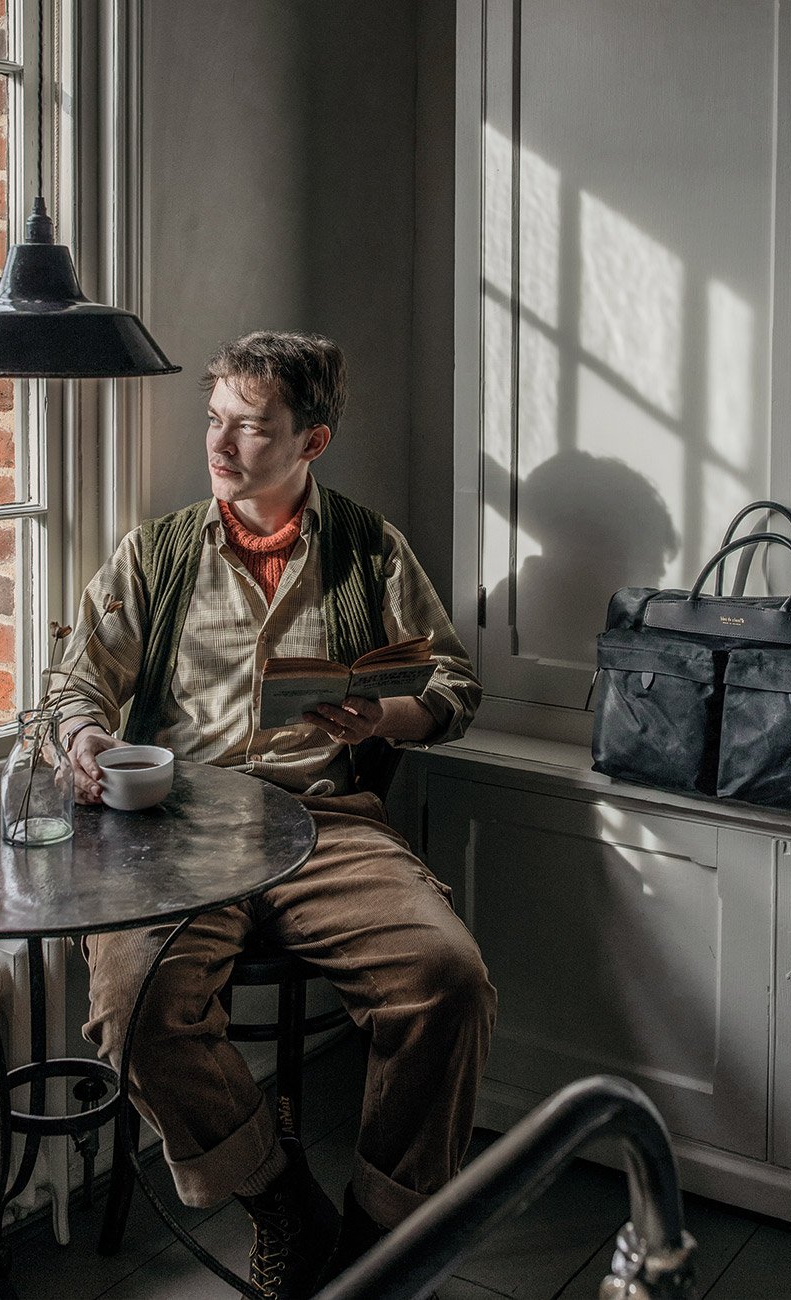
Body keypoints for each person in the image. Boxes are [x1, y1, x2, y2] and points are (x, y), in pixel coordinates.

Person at [46, 331, 496, 1300]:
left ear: (312, 440)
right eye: (215, 418)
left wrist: (386, 712)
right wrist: (82, 741)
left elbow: (455, 683)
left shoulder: (369, 548)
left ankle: (379, 1244)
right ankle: (280, 1199)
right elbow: (76, 680)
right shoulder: (158, 553)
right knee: (134, 1013)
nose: (222, 442)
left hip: (325, 823)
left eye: (252, 426)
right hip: (179, 830)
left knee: (446, 980)